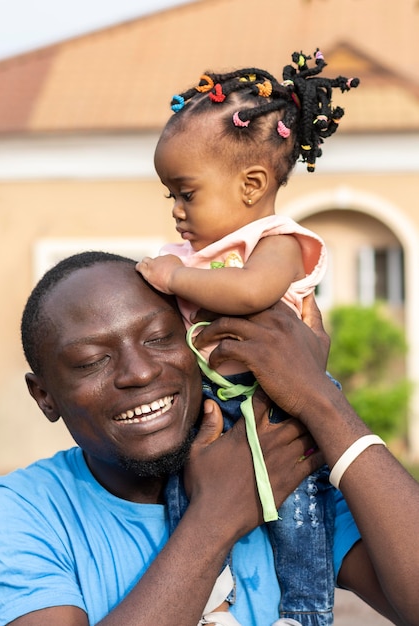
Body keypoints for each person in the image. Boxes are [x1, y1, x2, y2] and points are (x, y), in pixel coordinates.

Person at [0, 251, 419, 626]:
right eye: (91, 361)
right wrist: (218, 514)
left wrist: (319, 397)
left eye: (161, 338)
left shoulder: (283, 472)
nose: (139, 372)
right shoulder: (22, 510)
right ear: (45, 397)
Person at [135, 50, 359, 625]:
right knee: (186, 500)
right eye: (171, 198)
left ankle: (304, 610)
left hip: (279, 404)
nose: (178, 212)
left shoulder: (275, 242)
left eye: (187, 193)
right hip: (213, 403)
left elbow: (254, 292)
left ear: (252, 183)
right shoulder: (187, 254)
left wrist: (178, 279)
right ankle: (211, 601)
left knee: (296, 513)